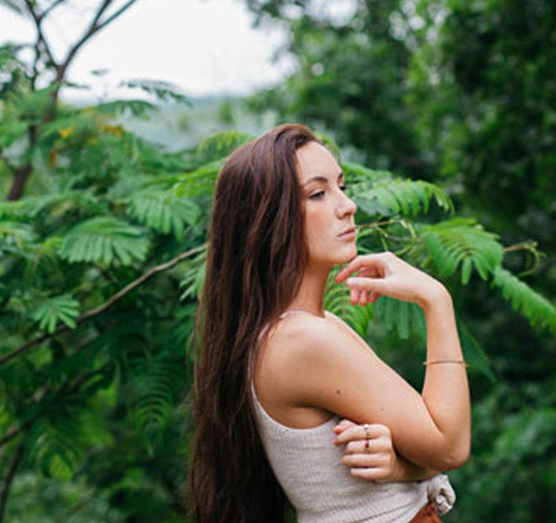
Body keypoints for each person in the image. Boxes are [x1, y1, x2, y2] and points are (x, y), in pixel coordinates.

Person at [189, 124, 470, 523]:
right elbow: (449, 446)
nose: (347, 205)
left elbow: (426, 446)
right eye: (318, 194)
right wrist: (437, 301)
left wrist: (402, 467)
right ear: (268, 223)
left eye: (341, 185)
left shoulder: (309, 328)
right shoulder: (302, 341)